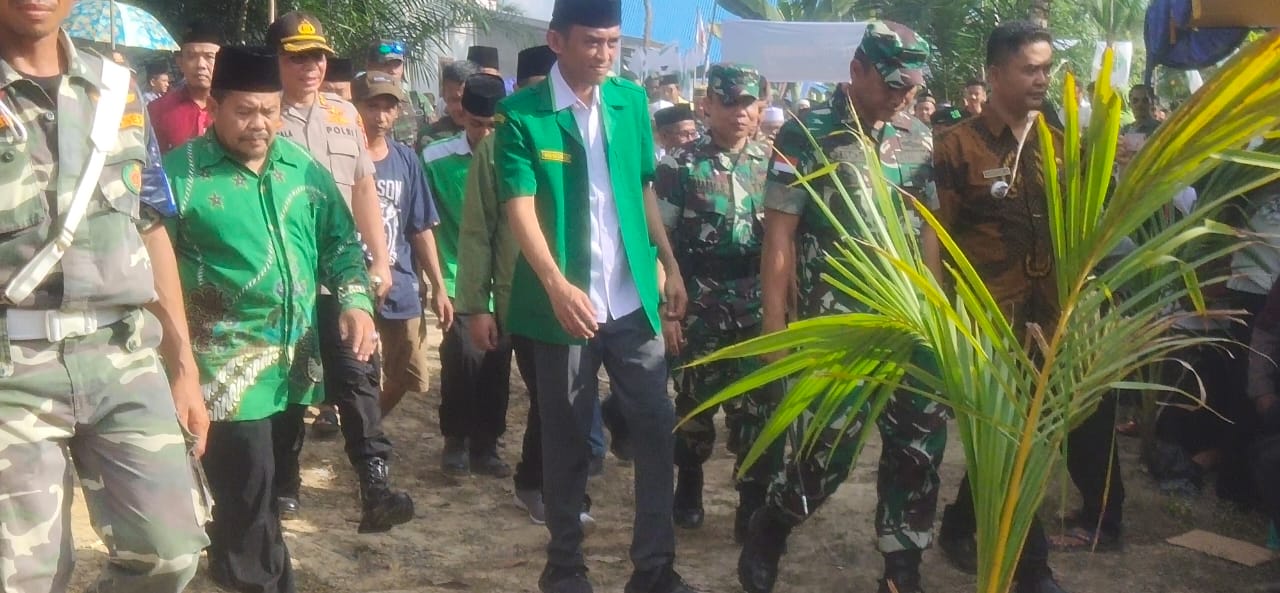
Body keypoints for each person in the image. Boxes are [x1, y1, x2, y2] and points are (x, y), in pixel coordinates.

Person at [0, 3, 211, 591]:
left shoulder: (118, 92)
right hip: (10, 371)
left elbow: (149, 226)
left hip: (121, 356)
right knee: (23, 578)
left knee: (170, 555)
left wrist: (183, 369)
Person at [738, 21, 948, 593]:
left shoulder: (916, 137)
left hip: (910, 322)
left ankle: (901, 566)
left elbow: (926, 228)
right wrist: (774, 327)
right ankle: (772, 525)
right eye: (893, 83)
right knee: (822, 453)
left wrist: (938, 311)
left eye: (912, 85)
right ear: (856, 71)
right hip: (838, 326)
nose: (903, 95)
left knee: (919, 447)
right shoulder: (806, 135)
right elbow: (780, 238)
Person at [162, 44, 382, 592]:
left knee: (266, 501)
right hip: (223, 374)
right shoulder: (179, 177)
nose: (260, 124)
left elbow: (341, 244)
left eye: (270, 110)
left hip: (293, 373)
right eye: (245, 111)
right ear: (214, 106)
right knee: (246, 500)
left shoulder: (301, 168)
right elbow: (147, 269)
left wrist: (355, 300)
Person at [494, 0, 693, 590]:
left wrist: (669, 264)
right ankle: (564, 570)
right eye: (592, 43)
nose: (605, 55)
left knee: (656, 427)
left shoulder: (630, 105)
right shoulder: (522, 115)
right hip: (566, 308)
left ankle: (655, 569)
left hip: (632, 301)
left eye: (612, 42)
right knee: (567, 437)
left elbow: (643, 189)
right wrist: (555, 284)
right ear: (557, 41)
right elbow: (519, 208)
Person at [932, 21, 1077, 593]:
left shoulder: (1062, 147)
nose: (1043, 78)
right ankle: (1030, 566)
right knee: (1012, 435)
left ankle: (961, 521)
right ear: (995, 75)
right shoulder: (956, 146)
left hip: (1048, 320)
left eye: (1047, 67)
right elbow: (936, 239)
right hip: (985, 322)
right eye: (1030, 68)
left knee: (1028, 436)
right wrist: (941, 319)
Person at [265, 10, 410, 529]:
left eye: (318, 56)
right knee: (290, 380)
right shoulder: (262, 116)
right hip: (283, 276)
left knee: (358, 376)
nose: (311, 66)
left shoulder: (344, 114)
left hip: (342, 273)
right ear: (275, 60)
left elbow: (363, 187)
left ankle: (375, 486)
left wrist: (380, 257)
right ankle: (284, 479)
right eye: (297, 56)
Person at [654, 63, 783, 538]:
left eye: (748, 102)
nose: (740, 112)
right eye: (729, 102)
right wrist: (667, 311)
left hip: (756, 303)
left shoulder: (773, 163)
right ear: (708, 105)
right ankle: (688, 483)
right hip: (700, 304)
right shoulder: (680, 165)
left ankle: (751, 501)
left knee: (759, 410)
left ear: (760, 107)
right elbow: (659, 241)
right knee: (694, 407)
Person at [420, 73, 514, 476]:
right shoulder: (436, 159)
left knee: (497, 362)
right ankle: (455, 440)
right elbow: (426, 222)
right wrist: (436, 282)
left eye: (494, 126)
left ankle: (487, 444)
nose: (485, 134)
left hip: (507, 280)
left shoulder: (516, 160)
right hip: (458, 276)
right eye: (478, 125)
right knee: (461, 359)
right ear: (463, 118)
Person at [352, 72, 454, 430]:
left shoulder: (406, 161)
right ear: (355, 108)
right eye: (372, 106)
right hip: (353, 283)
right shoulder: (342, 158)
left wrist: (439, 285)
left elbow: (420, 226)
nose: (380, 116)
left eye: (388, 107)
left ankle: (367, 427)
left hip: (401, 281)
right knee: (357, 372)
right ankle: (366, 442)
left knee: (409, 372)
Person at [149, 21, 220, 154]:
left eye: (209, 57)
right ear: (180, 63)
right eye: (192, 57)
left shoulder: (234, 111)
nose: (201, 65)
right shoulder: (157, 110)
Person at [366, 39, 430, 148]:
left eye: (397, 65)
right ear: (370, 66)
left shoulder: (417, 101)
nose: (393, 70)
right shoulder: (358, 102)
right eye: (386, 64)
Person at [420, 60, 477, 145]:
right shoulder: (430, 137)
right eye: (453, 100)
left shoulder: (494, 133)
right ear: (444, 96)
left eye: (466, 100)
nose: (460, 107)